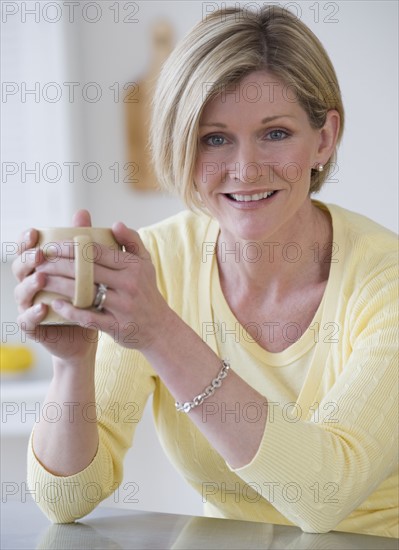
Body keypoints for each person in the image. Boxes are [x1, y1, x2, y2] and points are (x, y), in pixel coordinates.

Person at [13, 5, 398, 537]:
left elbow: (323, 497)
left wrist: (160, 331)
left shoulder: (386, 281)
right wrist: (71, 365)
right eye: (215, 138)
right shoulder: (159, 264)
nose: (245, 169)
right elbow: (66, 499)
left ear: (324, 138)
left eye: (276, 133)